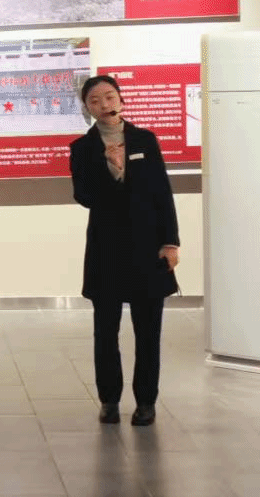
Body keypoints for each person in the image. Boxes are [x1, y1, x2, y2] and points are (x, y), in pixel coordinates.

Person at [71, 74, 181, 427]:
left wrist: (170, 242)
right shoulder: (82, 148)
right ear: (87, 108)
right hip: (106, 251)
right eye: (94, 101)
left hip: (148, 250)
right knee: (105, 333)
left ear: (120, 99)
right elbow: (84, 196)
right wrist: (112, 168)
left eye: (109, 97)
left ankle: (146, 401)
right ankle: (109, 400)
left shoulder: (145, 140)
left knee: (148, 333)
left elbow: (162, 193)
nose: (104, 105)